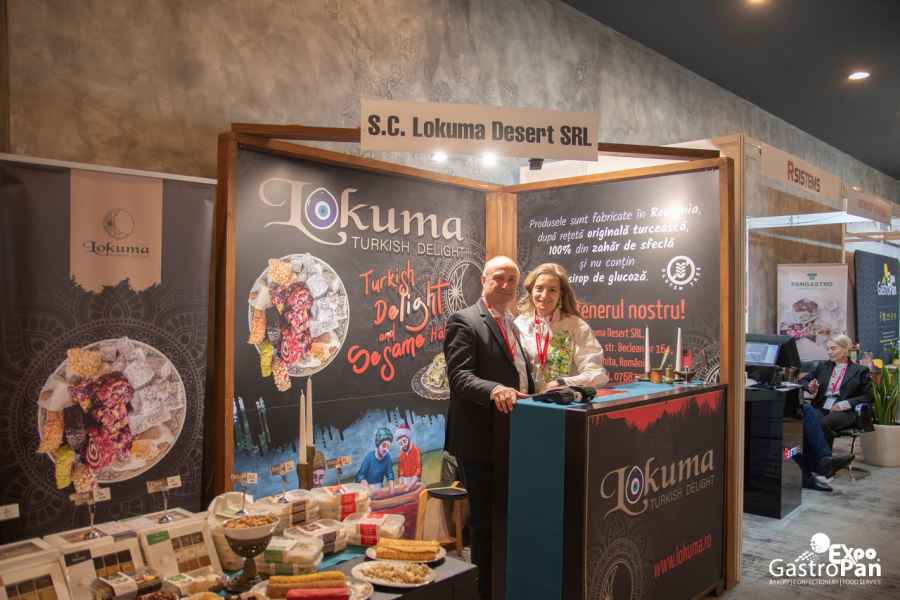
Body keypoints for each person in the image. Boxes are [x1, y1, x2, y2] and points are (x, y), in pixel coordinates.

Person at [444, 255, 535, 600]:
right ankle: (485, 592)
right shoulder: (464, 321)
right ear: (483, 280)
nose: (506, 285)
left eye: (512, 280)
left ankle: (505, 585)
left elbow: (518, 372)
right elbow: (459, 377)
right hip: (480, 439)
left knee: (506, 519)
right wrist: (495, 389)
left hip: (514, 436)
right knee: (485, 524)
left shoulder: (515, 324)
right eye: (499, 278)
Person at [513, 263, 609, 392]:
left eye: (552, 290)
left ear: (561, 294)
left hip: (566, 400)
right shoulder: (519, 325)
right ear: (531, 290)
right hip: (528, 400)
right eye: (539, 288)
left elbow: (596, 374)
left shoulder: (576, 326)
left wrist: (561, 383)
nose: (544, 295)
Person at [796, 334, 871, 491]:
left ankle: (818, 466)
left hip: (846, 412)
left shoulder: (860, 370)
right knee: (808, 421)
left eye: (833, 348)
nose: (829, 352)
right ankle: (824, 463)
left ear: (845, 349)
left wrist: (844, 404)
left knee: (821, 423)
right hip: (822, 407)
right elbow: (802, 381)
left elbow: (868, 396)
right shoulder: (823, 366)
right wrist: (809, 386)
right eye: (828, 348)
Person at [355, 427, 395, 493]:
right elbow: (360, 475)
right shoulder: (369, 457)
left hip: (379, 488)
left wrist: (392, 489)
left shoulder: (387, 458)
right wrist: (367, 487)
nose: (386, 450)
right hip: (366, 488)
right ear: (378, 444)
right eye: (384, 446)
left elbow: (390, 474)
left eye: (388, 447)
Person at [395, 424, 421, 488]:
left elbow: (418, 470)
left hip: (414, 481)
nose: (403, 445)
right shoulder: (401, 455)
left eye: (404, 441)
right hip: (405, 481)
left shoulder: (415, 451)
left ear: (408, 439)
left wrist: (410, 485)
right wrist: (401, 482)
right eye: (401, 444)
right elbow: (400, 470)